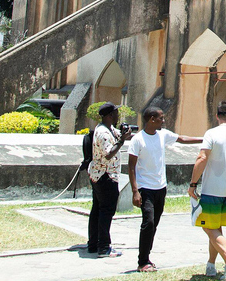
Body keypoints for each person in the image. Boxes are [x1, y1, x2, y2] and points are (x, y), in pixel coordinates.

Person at [128, 107, 203, 272]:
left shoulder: (163, 135)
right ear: (152, 119)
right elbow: (131, 167)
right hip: (145, 187)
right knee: (148, 222)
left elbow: (182, 139)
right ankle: (142, 262)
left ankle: (146, 257)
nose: (164, 120)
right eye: (161, 118)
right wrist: (135, 191)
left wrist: (205, 139)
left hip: (160, 187)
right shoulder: (138, 140)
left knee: (154, 224)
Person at [188, 101, 226, 281]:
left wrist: (193, 183)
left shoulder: (211, 134)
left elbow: (202, 157)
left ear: (217, 116)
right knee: (217, 228)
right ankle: (211, 265)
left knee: (208, 226)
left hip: (212, 189)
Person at [87, 102, 133, 258]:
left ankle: (93, 244)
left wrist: (126, 135)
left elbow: (121, 136)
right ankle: (104, 248)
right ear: (109, 116)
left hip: (98, 175)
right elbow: (108, 154)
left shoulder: (108, 129)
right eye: (115, 113)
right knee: (106, 211)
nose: (118, 115)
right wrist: (121, 142)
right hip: (106, 176)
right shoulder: (104, 133)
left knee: (97, 210)